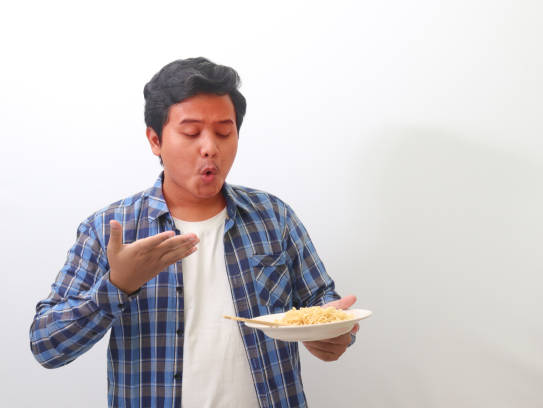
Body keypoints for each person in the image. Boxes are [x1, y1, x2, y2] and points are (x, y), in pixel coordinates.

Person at [29, 57, 358, 407]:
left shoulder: (272, 217)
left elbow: (322, 302)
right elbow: (46, 346)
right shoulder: (111, 228)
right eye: (191, 132)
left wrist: (335, 332)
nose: (210, 147)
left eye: (223, 132)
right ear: (155, 140)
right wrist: (117, 286)